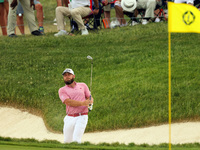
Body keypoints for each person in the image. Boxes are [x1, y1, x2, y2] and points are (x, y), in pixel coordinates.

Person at [58, 68, 93, 143]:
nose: (67, 77)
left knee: (76, 140)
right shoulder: (62, 90)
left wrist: (90, 101)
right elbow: (68, 102)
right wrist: (83, 103)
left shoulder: (83, 85)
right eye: (65, 75)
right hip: (69, 117)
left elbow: (89, 97)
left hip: (82, 116)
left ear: (73, 76)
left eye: (69, 75)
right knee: (67, 141)